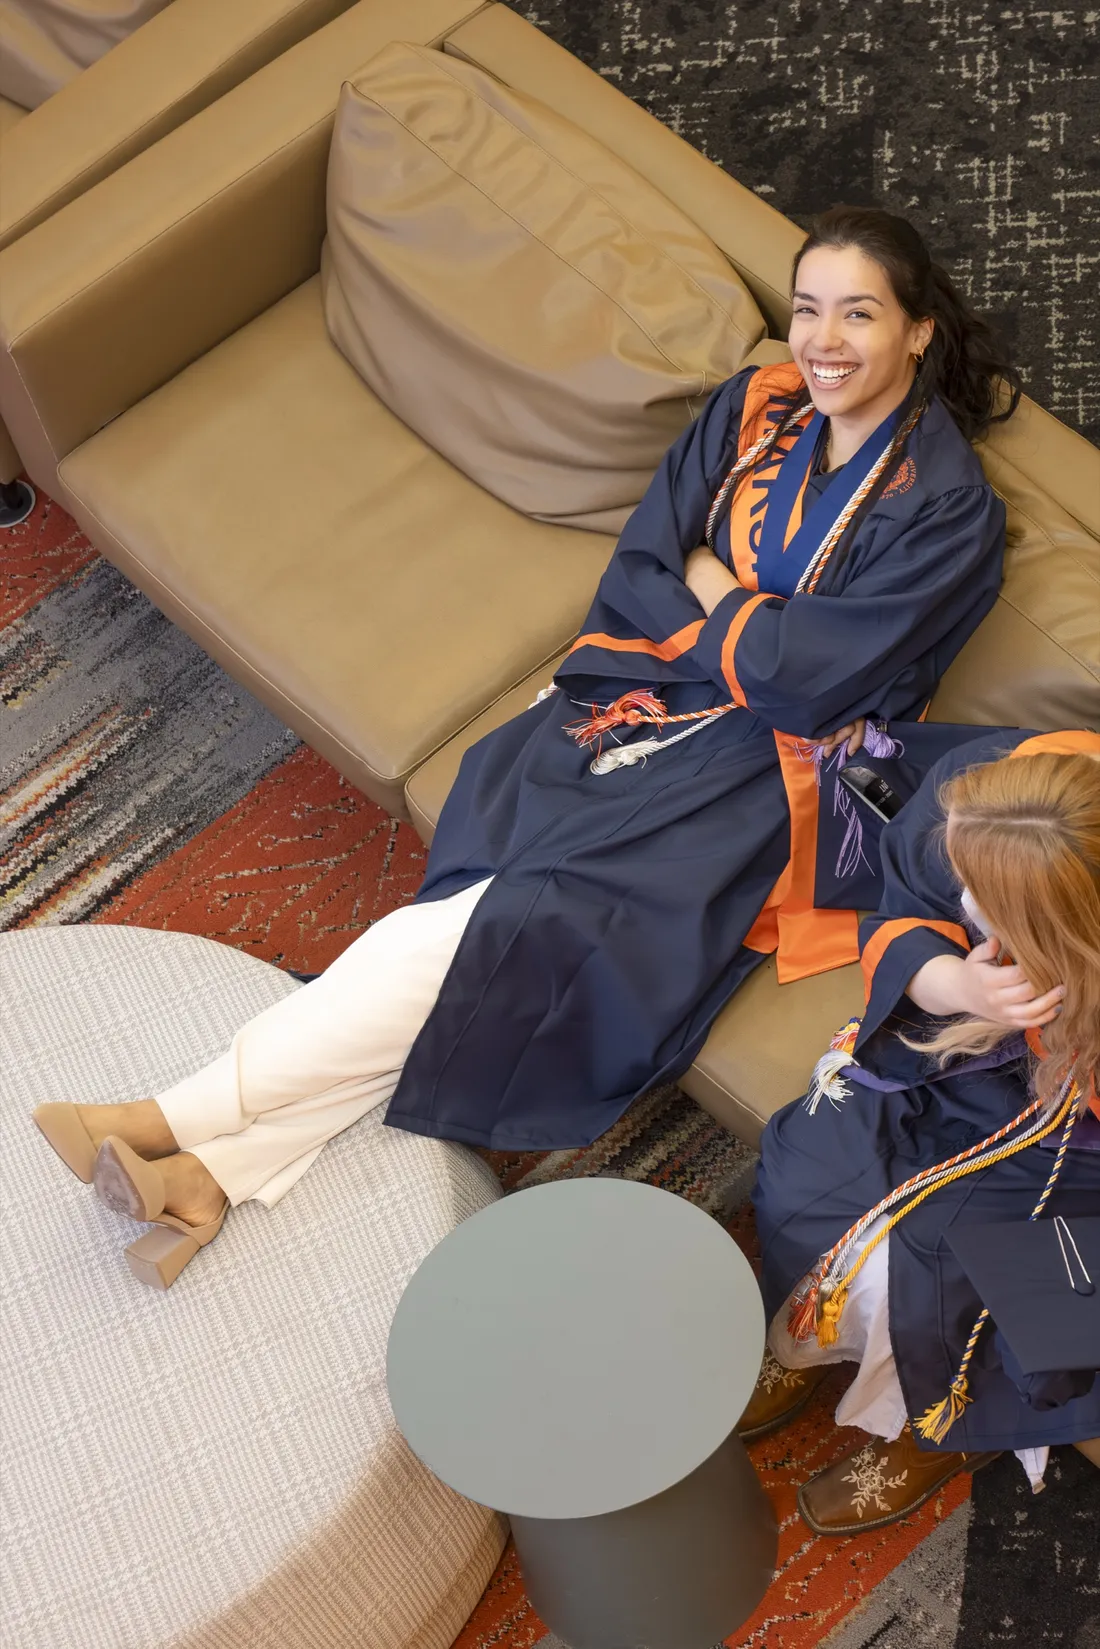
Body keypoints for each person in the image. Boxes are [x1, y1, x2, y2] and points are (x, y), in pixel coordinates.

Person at [35, 206, 1019, 1286]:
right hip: (645, 704)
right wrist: (734, 615)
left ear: (916, 332)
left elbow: (802, 681)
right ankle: (208, 1176)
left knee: (508, 912)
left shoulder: (943, 508)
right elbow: (644, 560)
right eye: (806, 309)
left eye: (858, 315)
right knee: (478, 909)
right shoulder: (757, 406)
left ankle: (171, 1112)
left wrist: (710, 587)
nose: (822, 340)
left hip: (765, 779)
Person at [747, 731, 1100, 1534]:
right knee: (814, 1172)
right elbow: (908, 905)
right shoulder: (1005, 791)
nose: (966, 899)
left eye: (987, 903)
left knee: (962, 1282)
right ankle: (807, 1335)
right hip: (970, 1037)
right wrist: (961, 981)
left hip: (1080, 1125)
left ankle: (941, 1423)